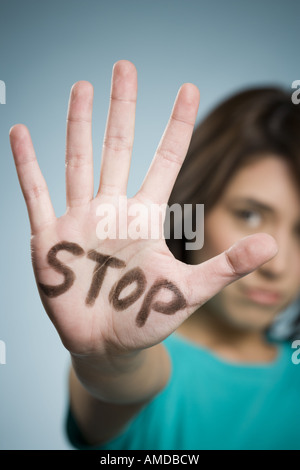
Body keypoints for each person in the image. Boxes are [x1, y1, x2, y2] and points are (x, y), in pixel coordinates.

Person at [9, 60, 300, 450]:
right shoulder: (143, 352)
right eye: (248, 214)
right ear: (195, 209)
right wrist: (108, 359)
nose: (276, 264)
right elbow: (123, 381)